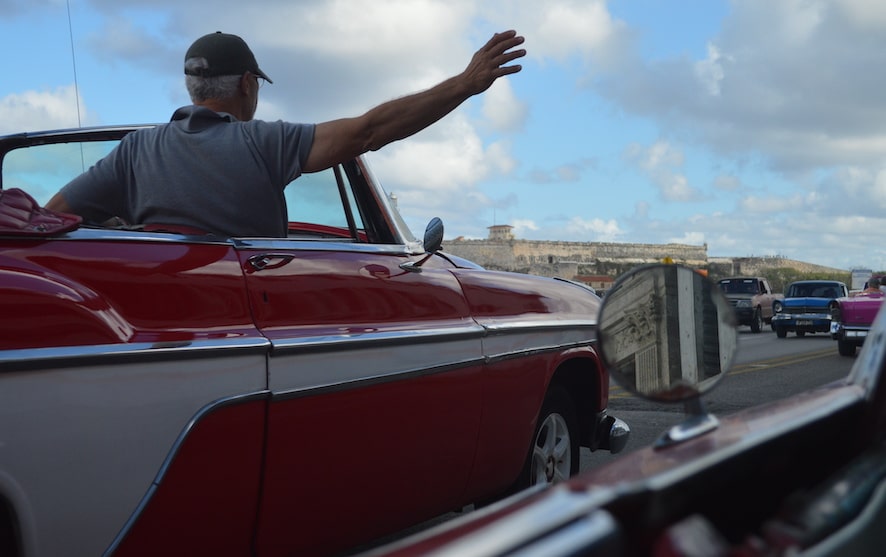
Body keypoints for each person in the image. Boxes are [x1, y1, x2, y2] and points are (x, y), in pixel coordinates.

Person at [45, 30, 525, 236]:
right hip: (248, 320)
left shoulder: (134, 150)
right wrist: (464, 84)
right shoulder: (264, 142)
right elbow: (370, 131)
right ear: (248, 86)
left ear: (192, 88)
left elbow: (55, 217)